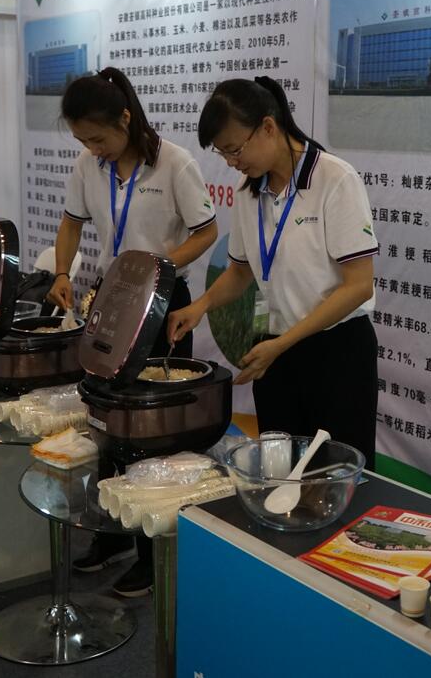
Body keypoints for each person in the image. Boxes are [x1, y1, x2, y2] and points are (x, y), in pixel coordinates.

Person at [46, 67, 217, 597]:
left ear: (125, 118)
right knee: (105, 417)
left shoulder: (174, 163)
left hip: (162, 303)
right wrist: (61, 271)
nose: (92, 150)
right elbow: (71, 222)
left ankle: (152, 551)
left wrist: (157, 270)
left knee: (152, 429)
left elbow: (207, 231)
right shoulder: (88, 166)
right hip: (110, 301)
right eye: (83, 141)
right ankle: (113, 531)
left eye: (98, 138)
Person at [168, 77, 380, 469]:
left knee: (336, 474)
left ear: (268, 127)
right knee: (279, 473)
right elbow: (240, 272)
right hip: (276, 350)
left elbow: (358, 286)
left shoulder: (335, 179)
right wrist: (200, 306)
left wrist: (283, 344)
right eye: (223, 153)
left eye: (235, 149)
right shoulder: (249, 191)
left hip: (337, 351)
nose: (232, 162)